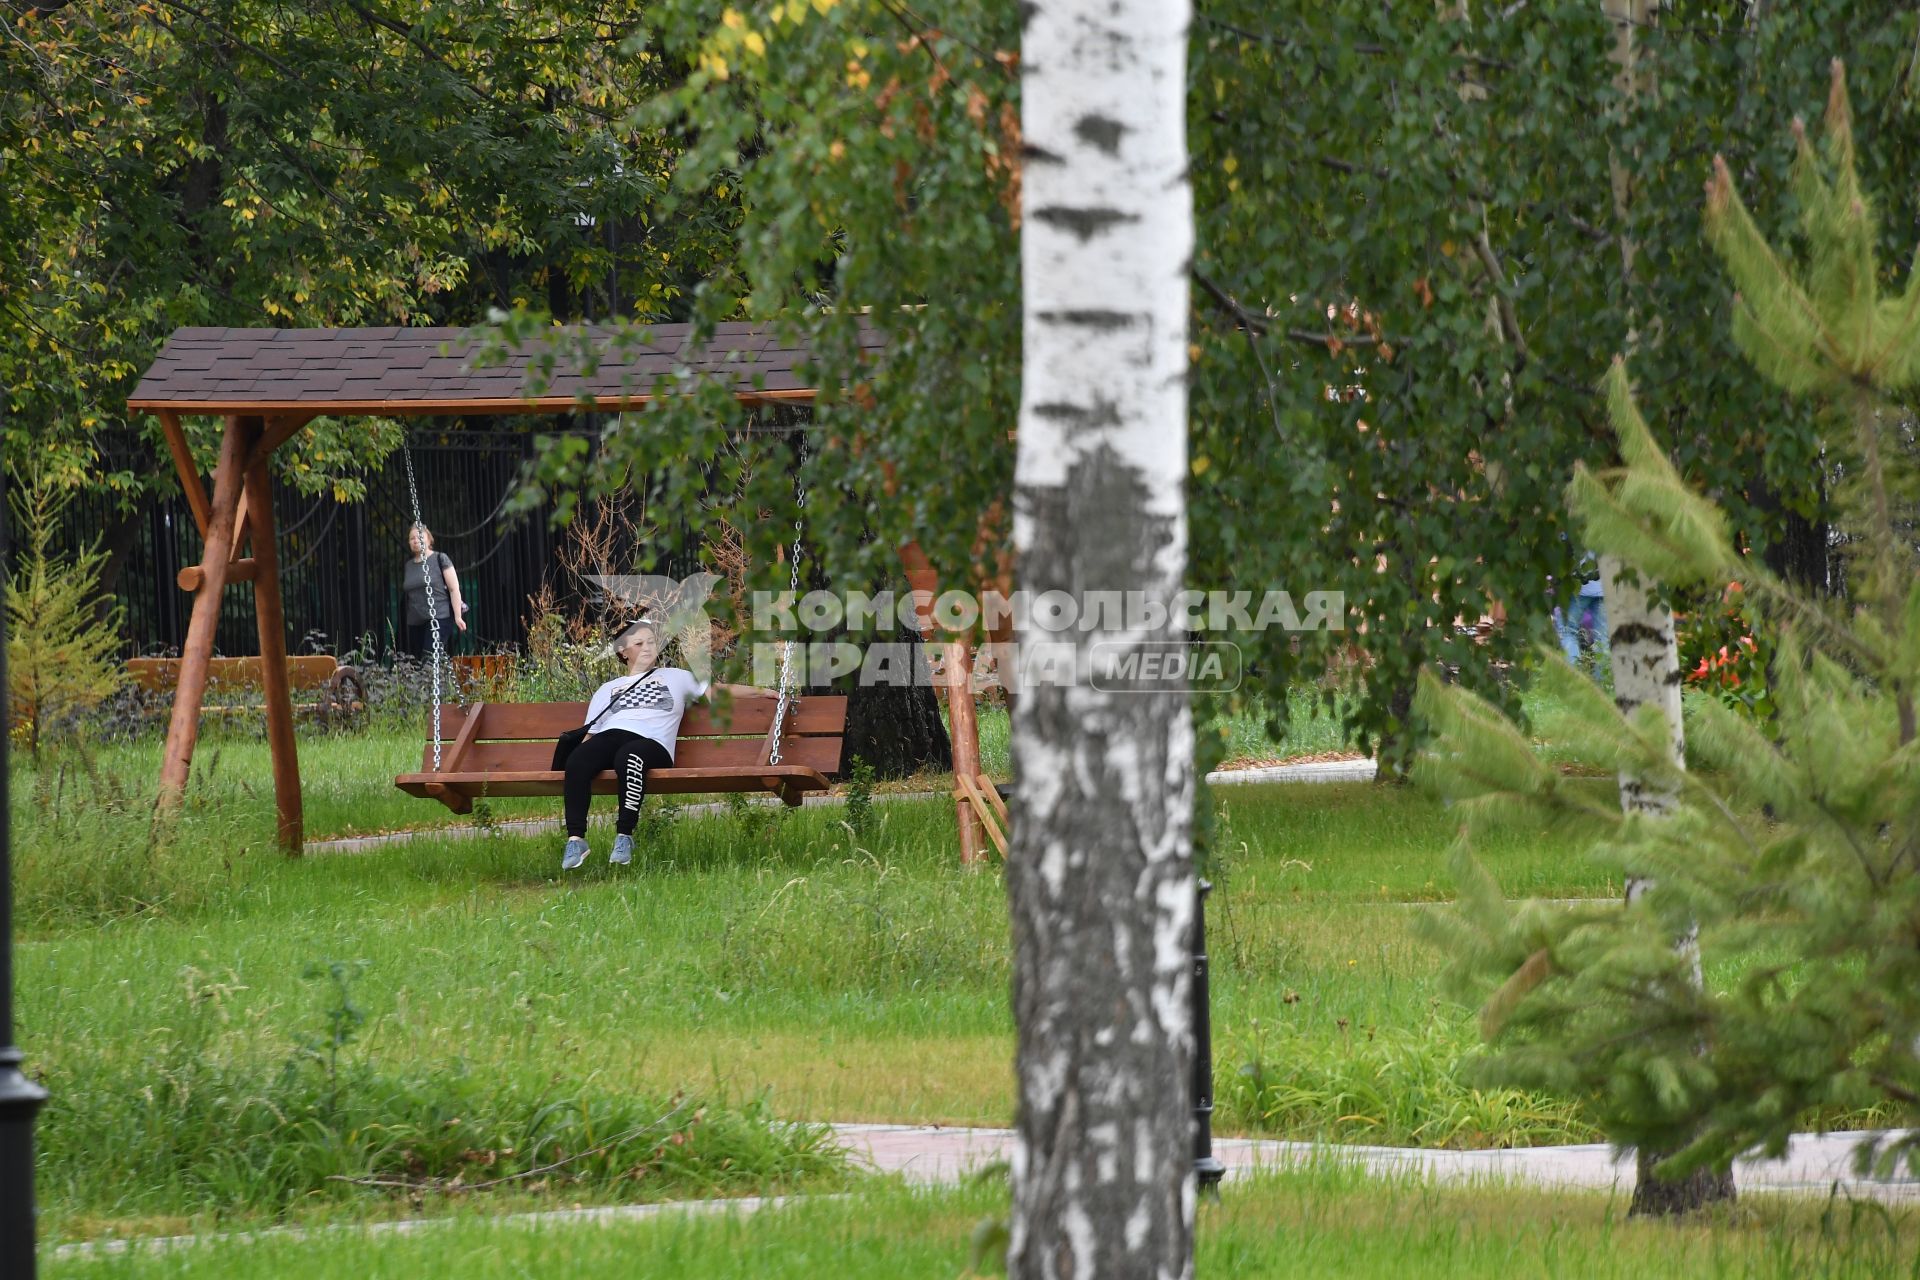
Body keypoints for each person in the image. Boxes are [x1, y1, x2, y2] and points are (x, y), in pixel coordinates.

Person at [559, 619, 775, 870]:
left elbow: (715, 691)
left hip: (651, 743)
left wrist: (760, 691)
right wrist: (579, 759)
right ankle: (576, 840)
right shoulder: (607, 689)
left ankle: (624, 835)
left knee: (629, 757)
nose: (648, 648)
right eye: (639, 643)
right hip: (611, 735)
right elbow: (591, 734)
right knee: (578, 760)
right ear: (622, 651)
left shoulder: (676, 677)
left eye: (652, 642)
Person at [401, 523, 467, 660]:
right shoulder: (408, 565)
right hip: (415, 622)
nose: (415, 540)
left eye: (419, 536)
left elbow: (454, 588)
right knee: (418, 662)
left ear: (429, 539)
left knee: (430, 658)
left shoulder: (439, 558)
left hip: (438, 617)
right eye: (411, 538)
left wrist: (458, 616)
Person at [1554, 553, 1608, 670]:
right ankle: (1604, 683)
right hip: (1606, 584)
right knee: (1603, 637)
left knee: (1567, 630)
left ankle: (1575, 678)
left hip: (1580, 585)